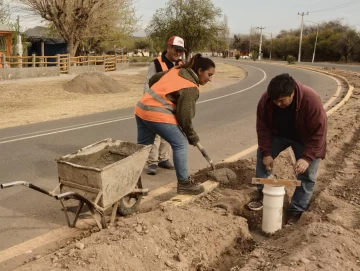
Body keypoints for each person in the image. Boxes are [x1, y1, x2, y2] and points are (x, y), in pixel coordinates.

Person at [135, 53, 215, 195]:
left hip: (141, 108)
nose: (210, 79)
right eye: (209, 75)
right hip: (156, 113)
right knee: (181, 143)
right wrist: (193, 137)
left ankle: (132, 183)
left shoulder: (178, 69)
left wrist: (163, 95)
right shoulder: (191, 87)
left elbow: (154, 79)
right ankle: (184, 184)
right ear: (200, 71)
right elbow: (184, 117)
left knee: (141, 150)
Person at [256, 73, 327, 224]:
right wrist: (267, 153)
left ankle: (296, 210)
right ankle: (264, 193)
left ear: (292, 92)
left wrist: (307, 158)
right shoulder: (267, 99)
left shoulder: (310, 100)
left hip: (305, 139)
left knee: (307, 174)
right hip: (279, 135)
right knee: (262, 155)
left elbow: (319, 133)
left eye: (282, 101)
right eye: (275, 101)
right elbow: (262, 127)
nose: (277, 104)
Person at [143, 36, 186, 175]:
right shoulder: (156, 63)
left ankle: (163, 159)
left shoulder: (180, 65)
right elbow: (147, 84)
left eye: (181, 51)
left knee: (167, 132)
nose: (178, 53)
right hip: (155, 104)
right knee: (154, 134)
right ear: (168, 48)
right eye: (176, 50)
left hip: (171, 105)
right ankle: (152, 162)